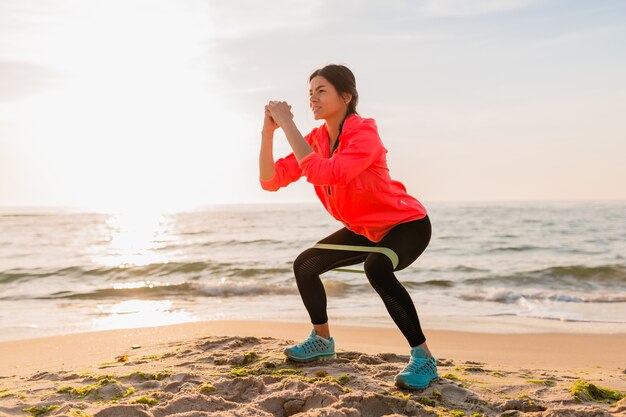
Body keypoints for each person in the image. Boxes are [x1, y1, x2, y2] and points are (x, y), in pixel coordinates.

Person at [258, 64, 437, 390]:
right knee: (306, 264)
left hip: (405, 224)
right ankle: (322, 340)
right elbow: (270, 180)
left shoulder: (363, 133)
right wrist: (269, 132)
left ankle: (423, 357)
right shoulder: (315, 139)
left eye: (321, 91)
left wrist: (287, 124)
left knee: (377, 268)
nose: (313, 98)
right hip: (362, 228)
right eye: (309, 92)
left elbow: (328, 173)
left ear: (346, 96)